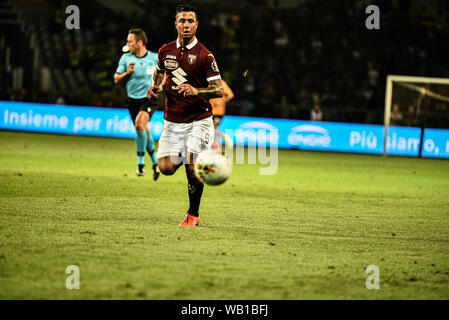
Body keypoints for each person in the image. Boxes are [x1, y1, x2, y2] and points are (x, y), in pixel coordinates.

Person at [147, 4, 223, 226]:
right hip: (172, 120)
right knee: (166, 168)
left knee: (191, 165)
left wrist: (196, 90)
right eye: (182, 20)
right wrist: (155, 86)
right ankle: (195, 158)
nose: (186, 24)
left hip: (199, 119)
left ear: (197, 25)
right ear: (176, 24)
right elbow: (160, 71)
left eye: (190, 21)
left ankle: (193, 214)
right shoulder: (165, 50)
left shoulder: (205, 55)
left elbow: (218, 89)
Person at [114, 28, 161, 180]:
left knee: (140, 124)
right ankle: (155, 164)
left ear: (139, 42)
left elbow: (164, 73)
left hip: (149, 98)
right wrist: (127, 73)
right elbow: (116, 78)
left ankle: (140, 163)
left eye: (130, 41)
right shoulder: (126, 58)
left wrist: (160, 85)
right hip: (132, 100)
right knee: (144, 132)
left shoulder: (154, 58)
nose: (127, 44)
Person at [209, 79, 234, 152]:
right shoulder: (207, 82)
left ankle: (218, 148)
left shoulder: (221, 83)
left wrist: (220, 102)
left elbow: (230, 95)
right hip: (208, 112)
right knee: (210, 132)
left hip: (217, 112)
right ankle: (215, 150)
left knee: (213, 131)